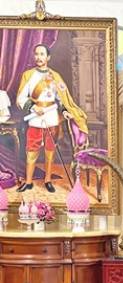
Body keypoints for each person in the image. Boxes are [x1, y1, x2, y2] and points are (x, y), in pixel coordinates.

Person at [16, 43, 88, 193]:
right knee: (31, 152)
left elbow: (61, 99)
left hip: (51, 118)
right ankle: (28, 182)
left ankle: (48, 180)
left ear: (48, 57)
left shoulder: (55, 77)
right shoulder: (28, 75)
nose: (39, 57)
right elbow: (21, 98)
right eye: (36, 54)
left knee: (50, 151)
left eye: (42, 54)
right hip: (35, 119)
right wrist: (34, 107)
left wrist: (65, 111)